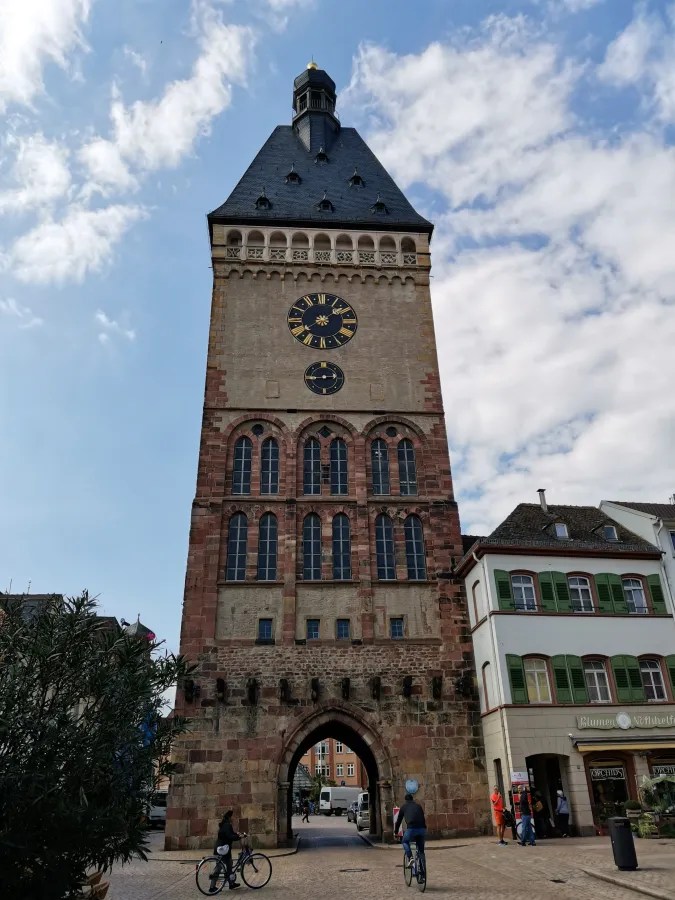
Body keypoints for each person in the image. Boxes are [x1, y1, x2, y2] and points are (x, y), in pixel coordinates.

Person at [213, 810, 243, 891]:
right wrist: (239, 837)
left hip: (225, 850)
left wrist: (238, 834)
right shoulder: (226, 825)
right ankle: (212, 887)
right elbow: (230, 836)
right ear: (229, 817)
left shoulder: (226, 825)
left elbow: (231, 834)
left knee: (230, 864)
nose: (233, 818)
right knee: (218, 868)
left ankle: (231, 883)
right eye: (232, 817)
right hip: (221, 850)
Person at [394, 793, 427, 864]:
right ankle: (422, 866)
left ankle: (410, 857)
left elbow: (399, 821)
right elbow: (422, 818)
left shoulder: (404, 807)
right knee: (421, 849)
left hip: (412, 829)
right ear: (412, 799)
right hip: (422, 829)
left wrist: (396, 832)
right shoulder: (418, 806)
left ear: (405, 800)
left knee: (405, 841)